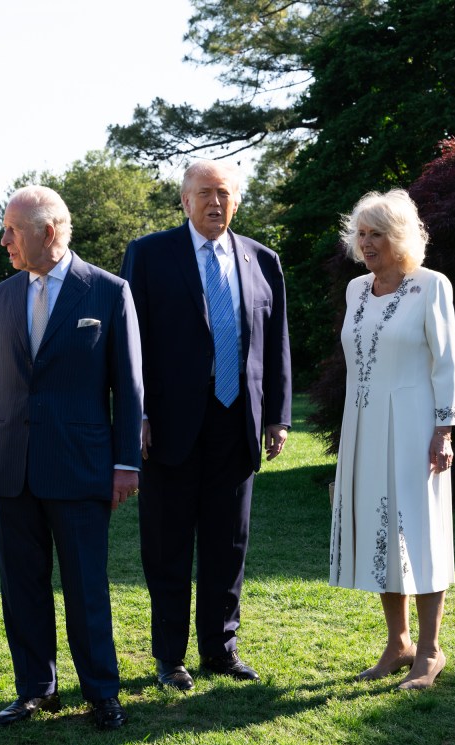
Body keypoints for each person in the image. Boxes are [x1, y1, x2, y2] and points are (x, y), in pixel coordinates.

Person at [0, 185, 143, 731]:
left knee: (87, 583)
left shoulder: (108, 292)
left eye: (12, 231)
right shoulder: (0, 296)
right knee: (21, 586)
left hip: (81, 465)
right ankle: (34, 690)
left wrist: (126, 463)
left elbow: (129, 388)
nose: (4, 241)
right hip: (10, 464)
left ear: (49, 232)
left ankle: (102, 691)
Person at [121, 160, 292, 691]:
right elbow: (130, 346)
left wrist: (277, 416)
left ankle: (221, 649)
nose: (215, 203)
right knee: (168, 544)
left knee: (228, 544)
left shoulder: (263, 260)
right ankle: (170, 656)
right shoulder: (148, 256)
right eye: (204, 194)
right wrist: (138, 414)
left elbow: (276, 344)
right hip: (168, 430)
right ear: (184, 201)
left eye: (224, 194)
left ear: (236, 201)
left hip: (236, 425)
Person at [328, 189, 455, 691]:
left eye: (377, 233)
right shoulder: (356, 291)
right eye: (361, 233)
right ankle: (398, 642)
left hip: (415, 427)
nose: (366, 242)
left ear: (400, 237)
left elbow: (445, 361)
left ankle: (430, 650)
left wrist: (444, 430)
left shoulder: (432, 286)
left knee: (420, 533)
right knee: (381, 533)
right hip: (363, 426)